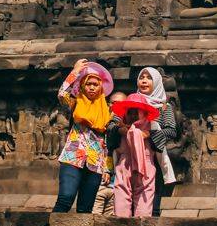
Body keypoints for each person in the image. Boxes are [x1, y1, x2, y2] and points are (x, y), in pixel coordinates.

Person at [52, 60, 116, 213]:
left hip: (96, 162)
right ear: (82, 85)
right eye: (89, 84)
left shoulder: (108, 110)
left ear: (101, 87)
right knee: (65, 198)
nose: (92, 87)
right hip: (73, 157)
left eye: (96, 84)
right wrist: (75, 71)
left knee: (86, 208)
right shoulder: (75, 103)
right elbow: (62, 94)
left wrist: (108, 168)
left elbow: (109, 141)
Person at [136, 67, 179, 214]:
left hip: (154, 154)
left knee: (153, 200)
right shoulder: (132, 104)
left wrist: (150, 133)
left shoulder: (163, 107)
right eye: (142, 77)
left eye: (149, 78)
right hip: (133, 154)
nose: (144, 80)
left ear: (157, 82)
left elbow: (171, 130)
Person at [111, 93, 160, 216]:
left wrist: (149, 134)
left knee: (145, 196)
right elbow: (110, 139)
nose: (132, 116)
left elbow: (163, 141)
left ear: (143, 113)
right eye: (130, 112)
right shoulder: (119, 127)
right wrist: (119, 130)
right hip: (124, 163)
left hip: (146, 164)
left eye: (136, 112)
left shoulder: (153, 127)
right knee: (121, 194)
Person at [92, 91, 125, 216]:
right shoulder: (98, 123)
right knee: (93, 217)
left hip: (117, 184)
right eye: (113, 103)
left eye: (121, 104)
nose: (116, 107)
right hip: (98, 181)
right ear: (108, 104)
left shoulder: (127, 128)